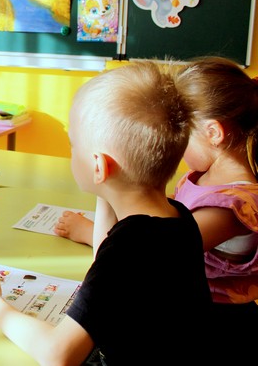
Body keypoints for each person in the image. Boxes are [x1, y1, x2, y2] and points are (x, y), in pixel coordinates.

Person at [0, 61, 213, 364]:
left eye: (73, 145)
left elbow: (59, 355)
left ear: (98, 166)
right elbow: (104, 262)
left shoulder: (130, 247)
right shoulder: (178, 218)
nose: (71, 152)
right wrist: (104, 189)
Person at [55, 57, 258, 359]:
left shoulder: (232, 206)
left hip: (216, 330)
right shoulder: (203, 178)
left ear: (214, 133)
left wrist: (88, 230)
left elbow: (152, 251)